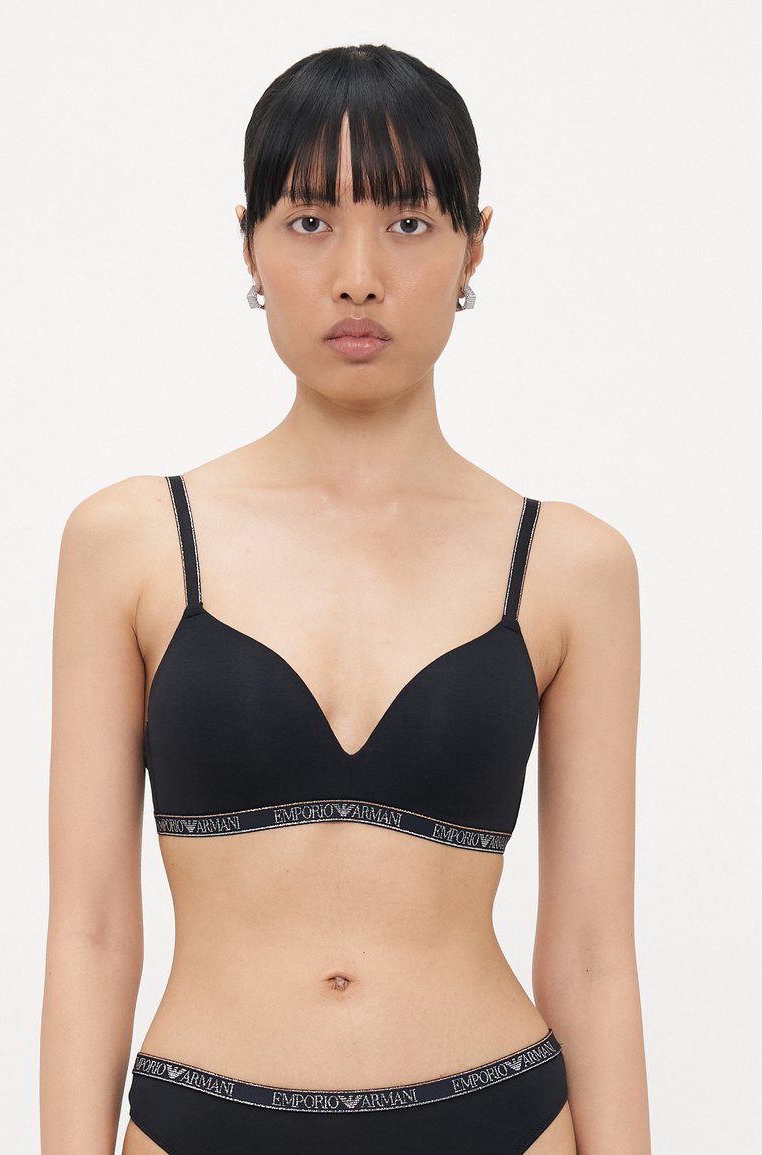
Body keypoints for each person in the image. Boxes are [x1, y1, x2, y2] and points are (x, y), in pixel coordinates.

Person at [40, 43, 651, 1155]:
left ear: (473, 244)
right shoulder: (131, 543)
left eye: (409, 222)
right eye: (310, 221)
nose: (358, 275)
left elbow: (592, 954)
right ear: (249, 243)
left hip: (503, 1122)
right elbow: (89, 932)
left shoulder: (571, 564)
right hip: (200, 1124)